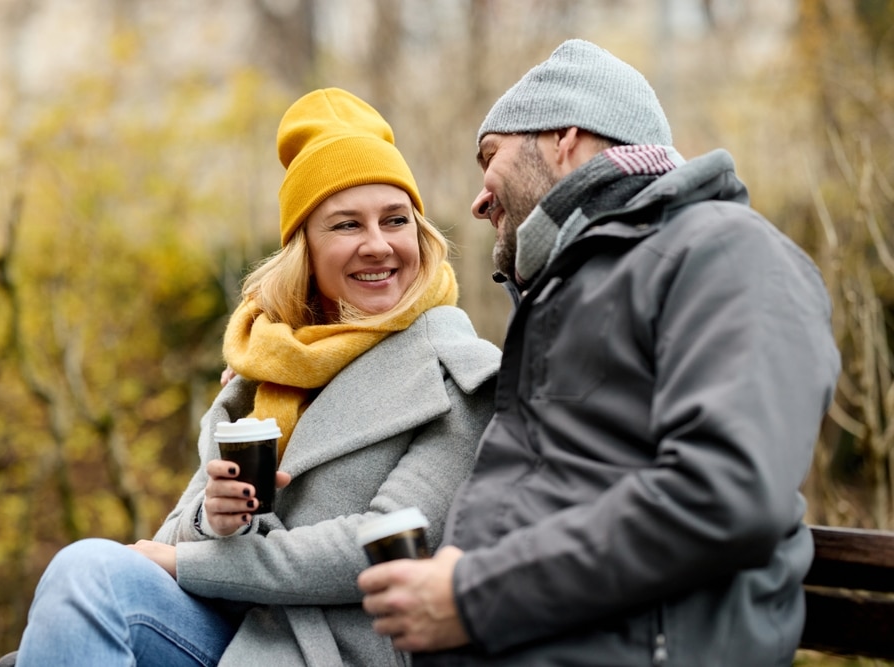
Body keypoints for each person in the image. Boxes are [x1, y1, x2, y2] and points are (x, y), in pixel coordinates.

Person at [358, 39, 840, 666]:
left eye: (491, 155)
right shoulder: (576, 287)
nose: (479, 200)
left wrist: (474, 597)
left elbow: (724, 491)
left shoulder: (727, 252)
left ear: (565, 139)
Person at [0, 87, 500, 667]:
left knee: (84, 583)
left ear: (420, 234)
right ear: (304, 249)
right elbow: (169, 537)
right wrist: (213, 518)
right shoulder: (267, 370)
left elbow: (382, 544)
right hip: (223, 629)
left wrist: (195, 563)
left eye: (395, 220)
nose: (378, 244)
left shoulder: (457, 372)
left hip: (322, 650)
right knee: (81, 574)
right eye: (345, 225)